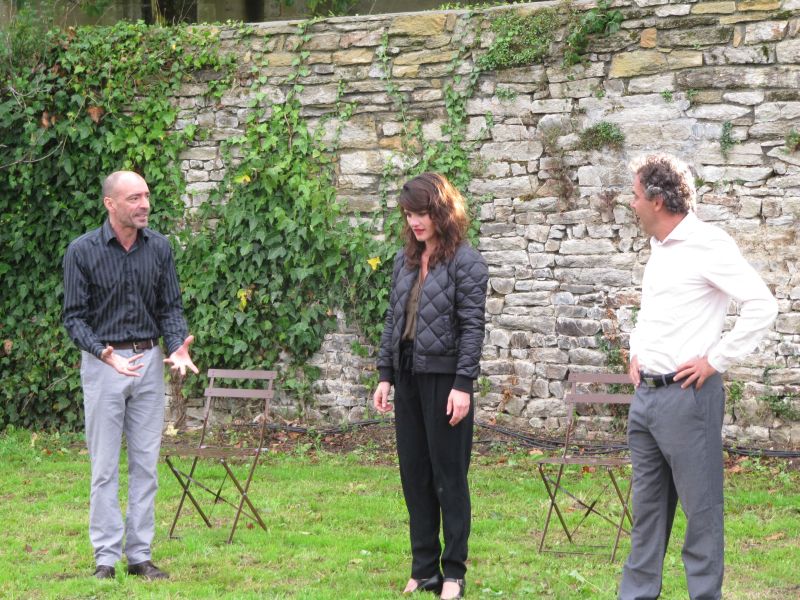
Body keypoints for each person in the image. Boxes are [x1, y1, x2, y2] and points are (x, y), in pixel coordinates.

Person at [619, 154, 778, 600]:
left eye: (635, 195)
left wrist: (716, 360)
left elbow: (763, 305)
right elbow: (655, 310)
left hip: (688, 398)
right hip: (646, 398)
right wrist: (636, 349)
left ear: (656, 200)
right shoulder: (660, 247)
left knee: (701, 514)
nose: (631, 203)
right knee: (646, 513)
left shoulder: (708, 244)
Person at [63, 171, 199, 580]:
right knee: (104, 468)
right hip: (104, 365)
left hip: (148, 362)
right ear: (111, 204)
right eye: (134, 198)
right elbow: (74, 318)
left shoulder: (159, 248)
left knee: (146, 466)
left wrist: (175, 345)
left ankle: (140, 556)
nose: (145, 205)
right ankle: (105, 559)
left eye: (147, 196)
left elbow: (170, 307)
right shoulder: (82, 251)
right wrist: (102, 352)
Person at [373, 173, 488, 600]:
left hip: (446, 381)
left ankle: (453, 573)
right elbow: (393, 320)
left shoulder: (467, 262)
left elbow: (472, 327)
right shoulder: (405, 260)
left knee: (448, 477)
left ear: (441, 211)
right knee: (415, 476)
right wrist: (385, 375)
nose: (415, 222)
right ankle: (424, 570)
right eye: (409, 214)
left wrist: (463, 385)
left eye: (421, 213)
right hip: (407, 377)